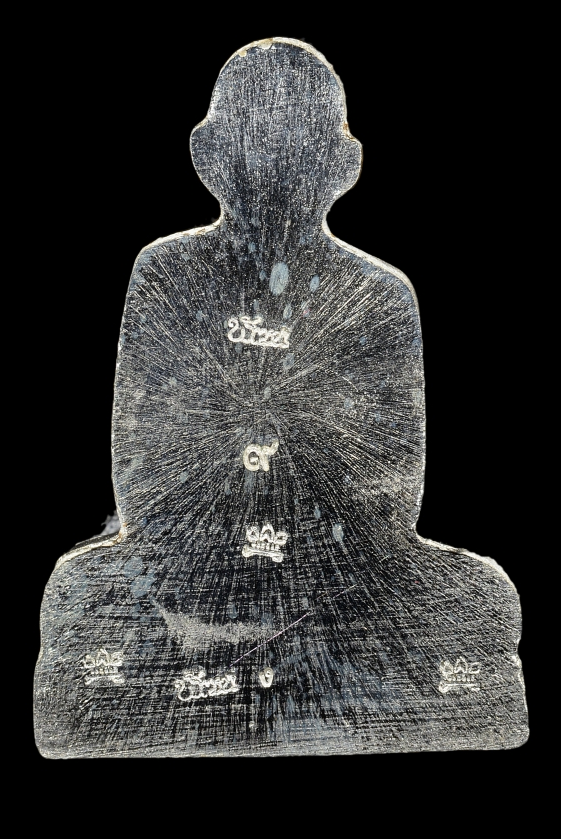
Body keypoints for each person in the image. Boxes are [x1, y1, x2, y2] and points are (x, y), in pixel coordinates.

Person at [35, 38, 527, 758]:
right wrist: (223, 552)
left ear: (343, 166)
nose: (273, 170)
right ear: (207, 155)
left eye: (295, 147)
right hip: (189, 578)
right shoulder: (167, 274)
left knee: (473, 598)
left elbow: (393, 488)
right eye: (257, 142)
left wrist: (303, 555)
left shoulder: (378, 297)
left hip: (343, 576)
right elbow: (142, 472)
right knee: (86, 594)